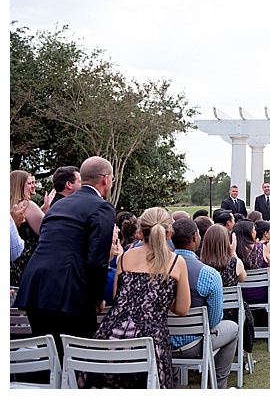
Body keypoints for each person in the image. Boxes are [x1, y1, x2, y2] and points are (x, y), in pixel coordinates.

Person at [15, 156, 117, 361]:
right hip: (68, 292)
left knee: (48, 357)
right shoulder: (101, 207)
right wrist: (97, 297)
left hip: (36, 287)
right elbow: (97, 258)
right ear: (105, 179)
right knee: (78, 357)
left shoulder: (59, 205)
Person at [83, 207, 191, 389]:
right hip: (150, 341)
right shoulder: (176, 262)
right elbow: (182, 309)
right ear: (169, 234)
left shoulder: (125, 257)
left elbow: (119, 297)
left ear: (140, 232)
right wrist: (160, 297)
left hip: (109, 337)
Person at [170, 217, 239, 390]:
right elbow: (214, 320)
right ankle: (218, 386)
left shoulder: (159, 268)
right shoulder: (209, 274)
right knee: (233, 328)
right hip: (195, 344)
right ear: (195, 237)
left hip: (163, 340)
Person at [200, 223, 255, 357]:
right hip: (231, 314)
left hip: (206, 316)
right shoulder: (234, 263)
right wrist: (233, 253)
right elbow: (243, 278)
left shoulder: (200, 264)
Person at [9, 170, 54, 286]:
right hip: (27, 262)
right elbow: (48, 231)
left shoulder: (13, 206)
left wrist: (43, 209)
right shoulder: (27, 205)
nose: (34, 186)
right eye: (29, 183)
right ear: (19, 185)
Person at [234, 219, 270, 327]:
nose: (255, 232)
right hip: (262, 292)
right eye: (254, 230)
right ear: (249, 233)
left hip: (239, 294)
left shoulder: (233, 250)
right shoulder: (261, 248)